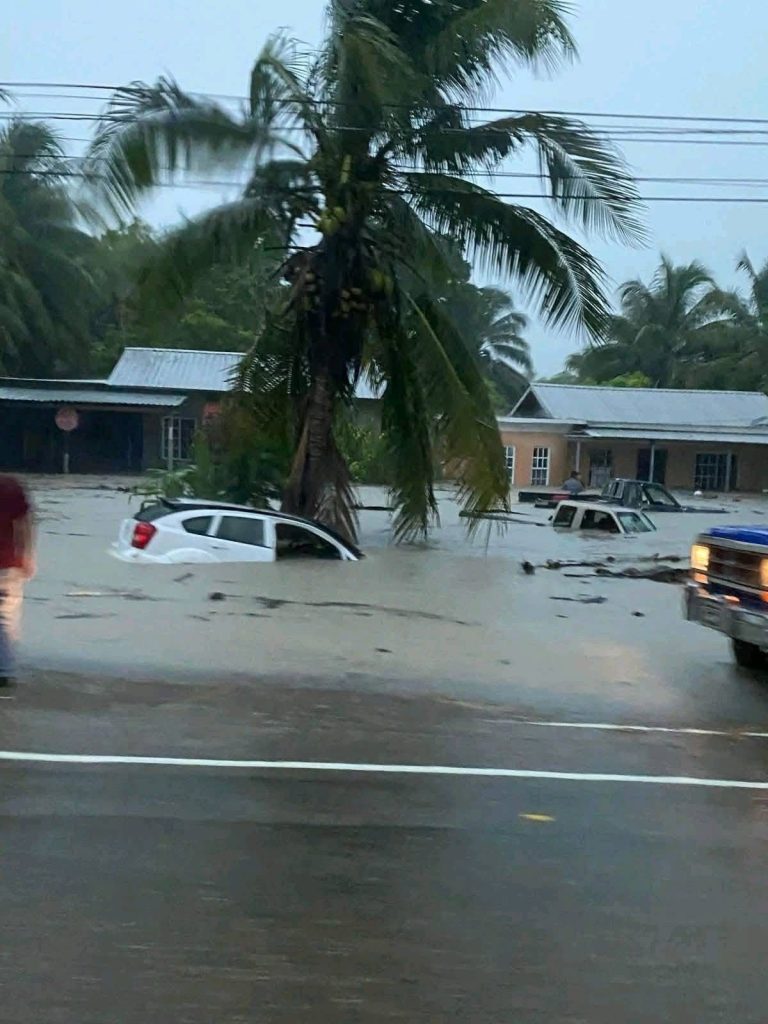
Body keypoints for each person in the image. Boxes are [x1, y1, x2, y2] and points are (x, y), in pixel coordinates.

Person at [0, 475, 35, 686]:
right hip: (7, 563)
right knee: (5, 618)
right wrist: (27, 554)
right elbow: (24, 524)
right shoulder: (10, 486)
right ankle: (5, 670)